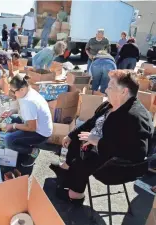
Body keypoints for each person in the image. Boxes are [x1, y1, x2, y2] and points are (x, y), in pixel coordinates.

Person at [50, 70, 154, 204]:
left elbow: (137, 154)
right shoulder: (110, 105)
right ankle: (66, 168)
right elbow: (91, 122)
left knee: (83, 158)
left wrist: (98, 142)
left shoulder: (134, 117)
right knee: (77, 139)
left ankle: (76, 195)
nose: (106, 89)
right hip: (102, 147)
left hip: (116, 165)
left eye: (110, 87)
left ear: (124, 92)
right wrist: (71, 135)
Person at [2, 74, 53, 167]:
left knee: (8, 140)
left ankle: (33, 151)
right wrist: (11, 111)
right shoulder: (27, 91)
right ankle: (20, 144)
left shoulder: (29, 102)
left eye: (13, 91)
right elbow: (21, 108)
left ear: (21, 89)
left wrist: (14, 126)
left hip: (40, 134)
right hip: (36, 125)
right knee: (11, 118)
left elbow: (32, 128)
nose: (12, 93)